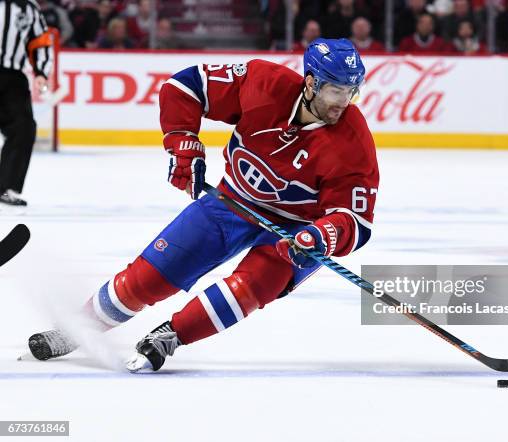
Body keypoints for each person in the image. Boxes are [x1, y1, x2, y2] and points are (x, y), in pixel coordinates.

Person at [28, 38, 380, 373]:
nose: (343, 101)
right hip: (231, 201)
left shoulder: (354, 141)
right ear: (310, 83)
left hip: (295, 231)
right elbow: (183, 87)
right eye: (336, 90)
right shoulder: (262, 82)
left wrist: (323, 236)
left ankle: (171, 336)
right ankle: (76, 328)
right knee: (146, 280)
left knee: (253, 285)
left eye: (351, 91)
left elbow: (355, 219)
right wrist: (182, 143)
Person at [0, 0, 54, 206]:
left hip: (12, 76)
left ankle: (5, 187)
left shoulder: (28, 7)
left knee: (23, 128)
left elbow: (39, 41)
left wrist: (41, 72)